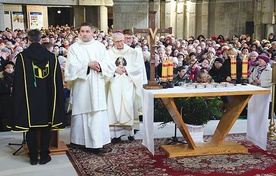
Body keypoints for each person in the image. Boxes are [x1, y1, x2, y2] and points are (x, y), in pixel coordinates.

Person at [8, 29, 66, 165]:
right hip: (47, 98)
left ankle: (33, 156)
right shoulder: (52, 57)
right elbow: (57, 81)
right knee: (46, 127)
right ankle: (44, 155)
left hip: (29, 99)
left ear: (28, 40)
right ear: (41, 40)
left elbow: (18, 81)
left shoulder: (22, 57)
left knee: (31, 128)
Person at [64, 22, 112, 154]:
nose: (84, 34)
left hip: (96, 84)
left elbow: (108, 64)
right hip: (82, 85)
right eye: (82, 31)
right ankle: (80, 141)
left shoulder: (100, 47)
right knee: (81, 113)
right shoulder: (74, 48)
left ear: (93, 32)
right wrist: (87, 65)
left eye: (87, 31)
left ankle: (97, 143)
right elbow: (70, 67)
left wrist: (100, 65)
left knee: (96, 114)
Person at [107, 31, 143, 143]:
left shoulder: (133, 52)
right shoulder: (108, 53)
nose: (121, 43)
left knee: (128, 105)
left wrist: (127, 70)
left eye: (122, 41)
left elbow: (138, 67)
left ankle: (129, 133)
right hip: (114, 84)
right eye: (117, 41)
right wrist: (114, 70)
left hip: (128, 83)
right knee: (114, 106)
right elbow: (105, 67)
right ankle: (116, 135)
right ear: (113, 41)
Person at [0, 61, 14, 131]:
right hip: (4, 99)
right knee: (5, 114)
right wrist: (8, 89)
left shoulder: (16, 77)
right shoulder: (2, 78)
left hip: (13, 98)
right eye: (8, 68)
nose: (10, 69)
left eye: (11, 68)